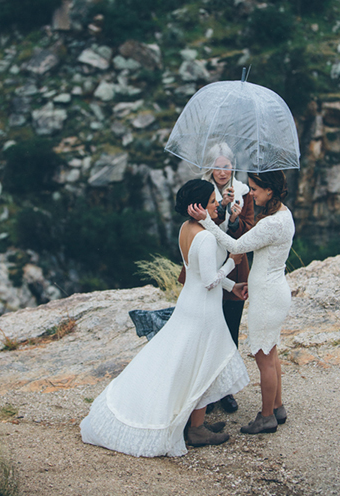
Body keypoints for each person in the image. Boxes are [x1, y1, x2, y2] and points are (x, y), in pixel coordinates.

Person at [80, 179, 250, 455]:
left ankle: (196, 424)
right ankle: (195, 429)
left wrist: (233, 286)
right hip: (203, 312)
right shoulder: (205, 237)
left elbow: (195, 273)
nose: (216, 205)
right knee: (203, 365)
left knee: (196, 364)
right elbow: (208, 279)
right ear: (198, 206)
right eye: (211, 202)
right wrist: (233, 261)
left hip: (190, 305)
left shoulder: (187, 228)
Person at [188, 170, 294, 435]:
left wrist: (208, 224)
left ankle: (267, 416)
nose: (251, 194)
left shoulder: (271, 223)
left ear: (269, 191)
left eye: (255, 189)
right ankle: (278, 407)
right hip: (273, 288)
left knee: (263, 357)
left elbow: (236, 246)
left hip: (268, 296)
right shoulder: (284, 214)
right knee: (271, 350)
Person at [189, 144, 256, 414]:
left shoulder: (245, 193)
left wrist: (236, 220)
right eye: (216, 166)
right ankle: (204, 390)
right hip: (208, 266)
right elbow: (197, 229)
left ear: (233, 167)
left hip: (234, 271)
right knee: (205, 332)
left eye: (226, 166)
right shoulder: (201, 192)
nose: (221, 172)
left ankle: (225, 390)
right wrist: (219, 211)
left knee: (229, 329)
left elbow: (249, 231)